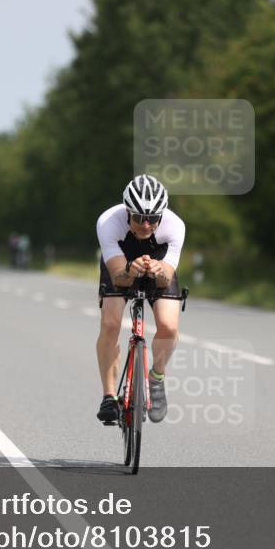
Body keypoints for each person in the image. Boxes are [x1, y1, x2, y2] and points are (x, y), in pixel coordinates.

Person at [95, 174, 185, 425]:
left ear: (162, 215)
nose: (146, 225)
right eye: (138, 218)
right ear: (127, 212)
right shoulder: (108, 223)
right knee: (110, 324)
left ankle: (156, 377)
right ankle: (109, 396)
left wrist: (159, 270)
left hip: (159, 265)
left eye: (153, 219)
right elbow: (118, 277)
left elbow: (166, 279)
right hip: (122, 264)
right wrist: (129, 271)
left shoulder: (175, 226)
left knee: (169, 326)